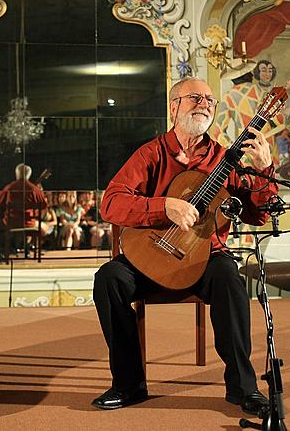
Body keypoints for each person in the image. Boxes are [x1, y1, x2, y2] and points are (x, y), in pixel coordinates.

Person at [92, 76, 277, 416]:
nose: (205, 104)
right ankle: (129, 384)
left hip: (206, 258)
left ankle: (244, 389)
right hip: (151, 254)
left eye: (210, 100)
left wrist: (265, 171)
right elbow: (111, 204)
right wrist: (164, 206)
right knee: (108, 278)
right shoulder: (150, 154)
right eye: (195, 97)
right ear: (174, 106)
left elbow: (260, 216)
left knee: (230, 279)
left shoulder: (225, 159)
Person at [210, 59, 279, 147]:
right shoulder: (263, 92)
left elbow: (217, 133)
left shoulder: (228, 97)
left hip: (246, 151)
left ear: (233, 78)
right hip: (268, 146)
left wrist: (233, 148)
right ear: (249, 74)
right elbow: (280, 121)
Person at [0, 163, 48, 254]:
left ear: (17, 174)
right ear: (29, 175)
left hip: (11, 223)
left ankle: (2, 251)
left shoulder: (9, 187)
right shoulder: (34, 189)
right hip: (29, 223)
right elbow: (44, 205)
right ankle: (28, 246)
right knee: (45, 227)